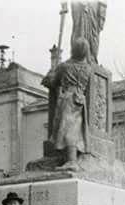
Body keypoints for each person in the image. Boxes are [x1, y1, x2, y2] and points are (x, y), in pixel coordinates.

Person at [42, 38, 92, 169]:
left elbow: (51, 82)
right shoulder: (88, 68)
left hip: (68, 99)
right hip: (80, 100)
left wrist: (51, 71)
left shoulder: (65, 66)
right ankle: (70, 159)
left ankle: (71, 161)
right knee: (75, 128)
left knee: (68, 128)